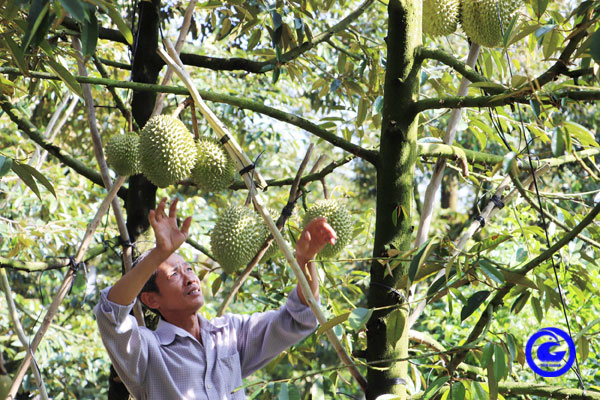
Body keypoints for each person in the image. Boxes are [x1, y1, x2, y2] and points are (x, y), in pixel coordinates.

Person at [94, 197, 337, 399]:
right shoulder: (148, 351)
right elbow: (110, 315)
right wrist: (159, 254)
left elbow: (297, 320)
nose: (190, 278)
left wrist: (305, 262)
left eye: (189, 269)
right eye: (174, 274)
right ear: (151, 300)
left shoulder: (231, 333)